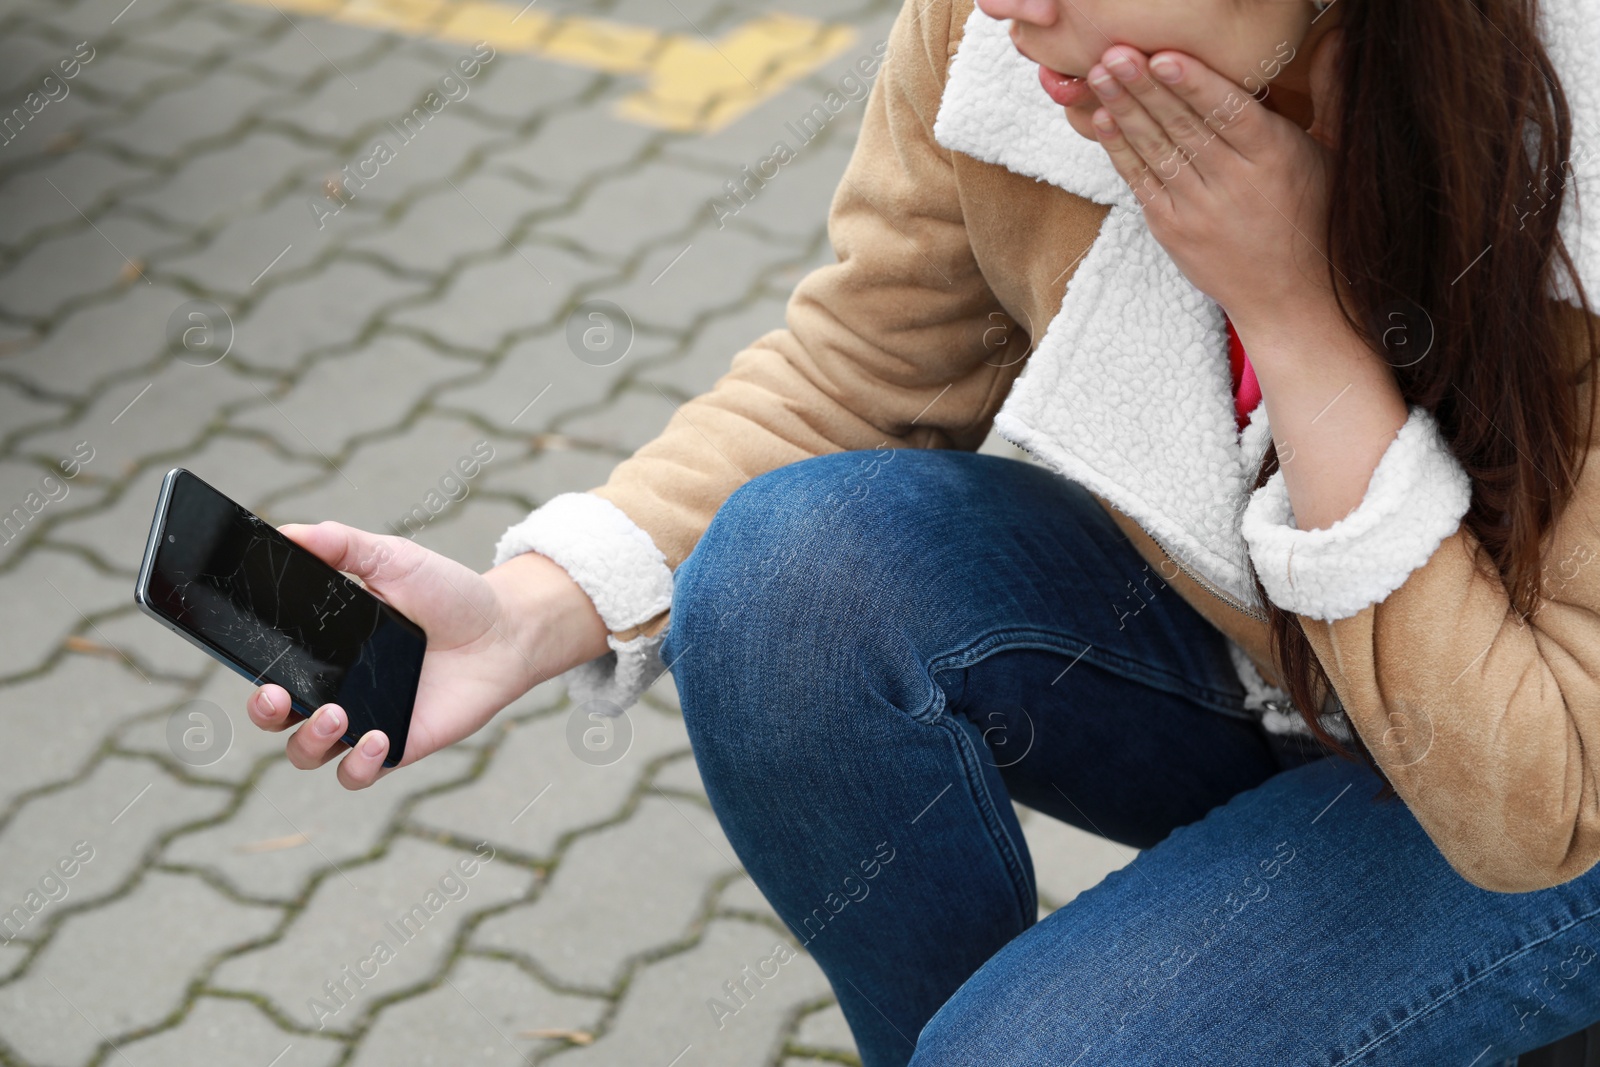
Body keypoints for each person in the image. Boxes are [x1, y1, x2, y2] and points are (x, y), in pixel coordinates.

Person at [243, 0, 1600, 1062]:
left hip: (1547, 797)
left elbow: (1537, 809)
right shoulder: (1011, 36)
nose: (1000, 5)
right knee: (793, 581)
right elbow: (861, 372)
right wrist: (529, 610)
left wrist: (1300, 320)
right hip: (1285, 682)